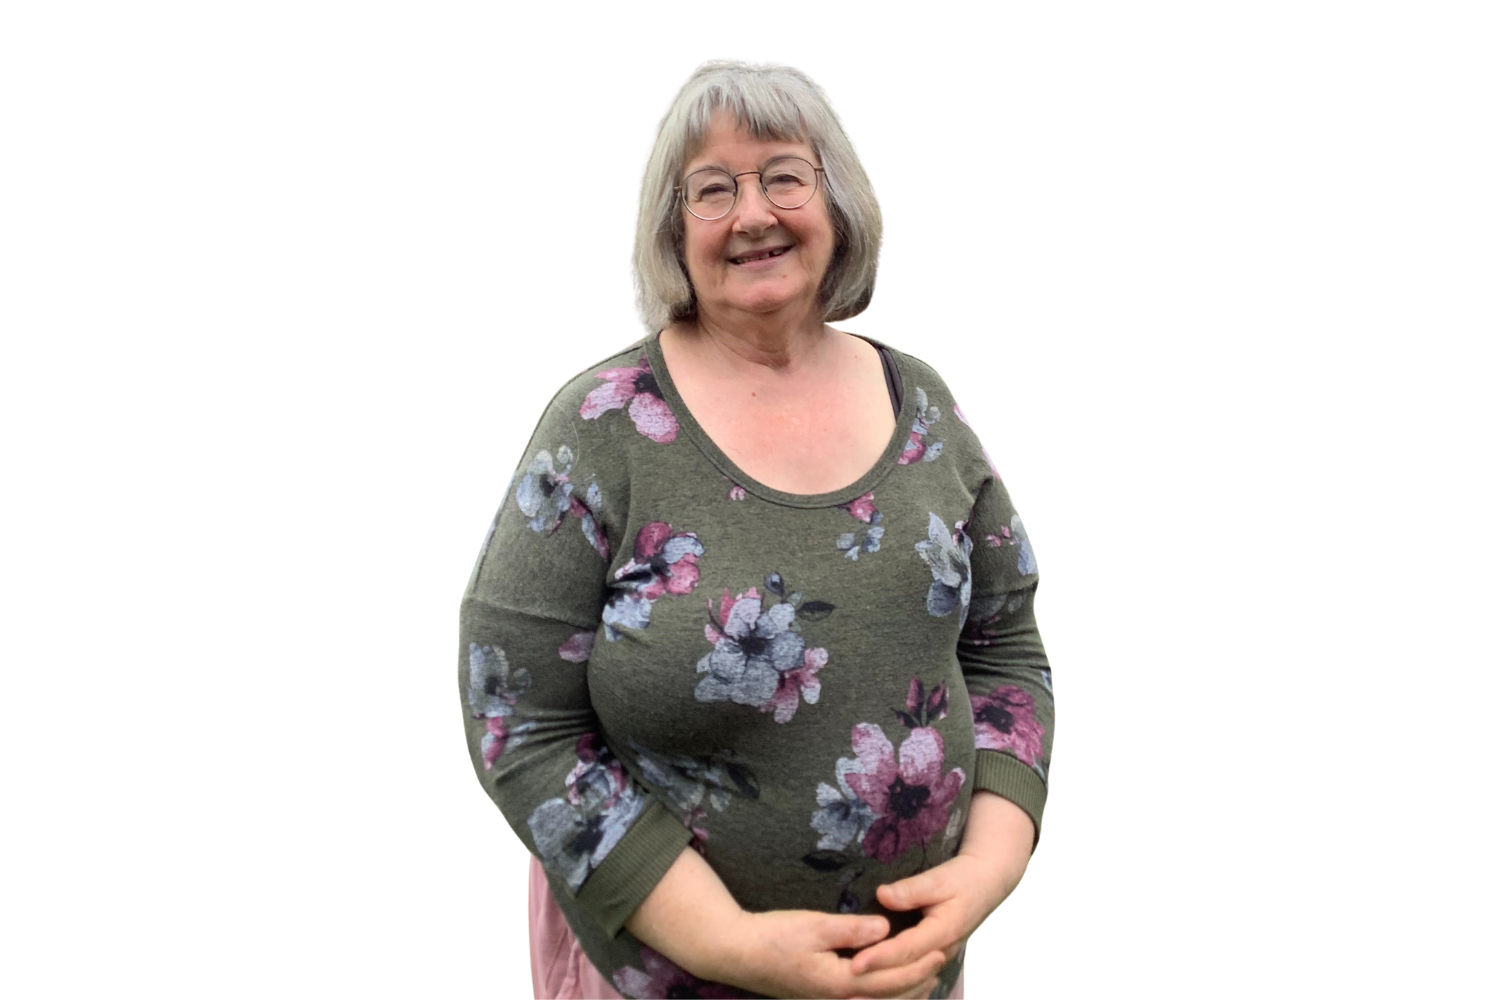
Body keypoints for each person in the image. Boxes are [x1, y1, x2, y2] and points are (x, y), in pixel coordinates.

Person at [460, 57, 1055, 1000]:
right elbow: (516, 721)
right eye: (712, 190)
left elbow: (1007, 653)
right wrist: (728, 943)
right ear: (672, 230)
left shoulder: (925, 406)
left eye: (784, 176)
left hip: (908, 978)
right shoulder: (599, 429)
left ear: (838, 203)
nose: (752, 215)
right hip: (661, 981)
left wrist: (988, 871)